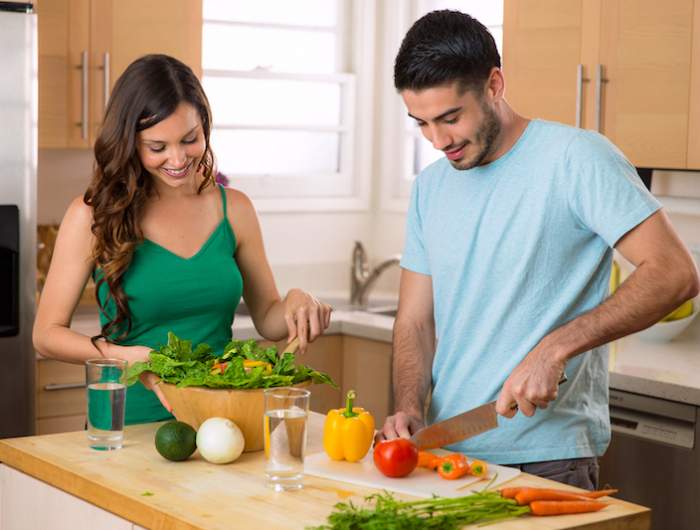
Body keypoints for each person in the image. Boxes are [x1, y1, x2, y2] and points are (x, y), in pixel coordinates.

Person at [375, 10, 700, 490]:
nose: (438, 141)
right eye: (421, 123)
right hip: (445, 456)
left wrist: (555, 348)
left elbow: (675, 273)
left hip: (547, 461)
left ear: (494, 85)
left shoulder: (576, 158)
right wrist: (408, 406)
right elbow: (415, 321)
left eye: (450, 118)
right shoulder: (429, 189)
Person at [33, 54, 332, 426]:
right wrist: (120, 356)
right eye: (157, 147)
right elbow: (46, 335)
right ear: (129, 141)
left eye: (190, 139)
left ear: (204, 126)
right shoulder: (92, 215)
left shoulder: (234, 208)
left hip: (221, 420)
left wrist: (296, 301)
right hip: (128, 424)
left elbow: (268, 319)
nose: (177, 158)